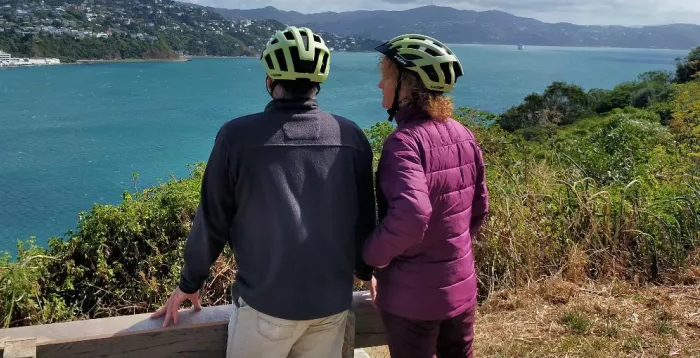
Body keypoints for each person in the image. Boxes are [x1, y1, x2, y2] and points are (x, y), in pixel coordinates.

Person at [152, 26, 377, 358]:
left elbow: (213, 218)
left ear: (270, 81)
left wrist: (190, 282)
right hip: (331, 306)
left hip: (266, 306)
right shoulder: (351, 136)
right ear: (318, 83)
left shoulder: (237, 137)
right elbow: (364, 218)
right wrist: (367, 269)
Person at [362, 34, 490, 358]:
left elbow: (411, 216)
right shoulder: (463, 134)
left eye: (387, 76)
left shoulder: (404, 143)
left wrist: (370, 255)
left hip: (413, 300)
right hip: (461, 289)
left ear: (407, 85)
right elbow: (479, 209)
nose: (380, 85)